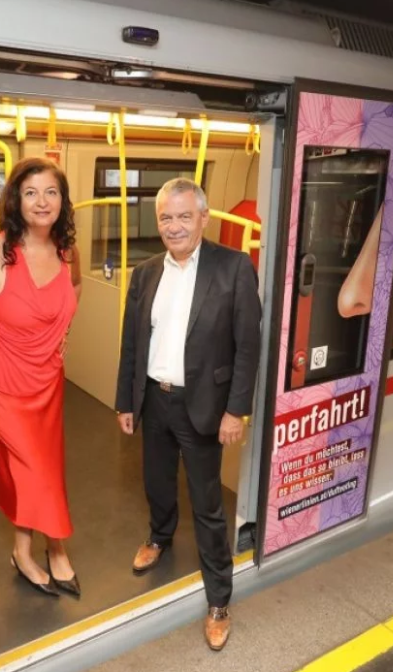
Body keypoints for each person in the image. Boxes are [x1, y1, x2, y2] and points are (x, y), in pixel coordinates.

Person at [115, 177, 261, 650]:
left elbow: (248, 347)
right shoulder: (145, 273)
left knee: (207, 504)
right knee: (157, 483)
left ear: (204, 217)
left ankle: (219, 599)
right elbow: (132, 343)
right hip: (154, 400)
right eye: (166, 217)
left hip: (204, 406)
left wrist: (236, 410)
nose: (174, 226)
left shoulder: (234, 267)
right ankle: (159, 536)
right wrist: (126, 400)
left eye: (183, 216)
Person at [0, 157, 82, 598]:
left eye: (51, 192)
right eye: (30, 193)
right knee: (33, 466)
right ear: (15, 200)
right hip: (4, 381)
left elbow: (75, 288)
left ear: (62, 200)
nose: (42, 201)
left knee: (39, 466)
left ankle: (25, 549)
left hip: (48, 379)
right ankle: (53, 546)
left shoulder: (67, 250)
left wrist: (63, 332)